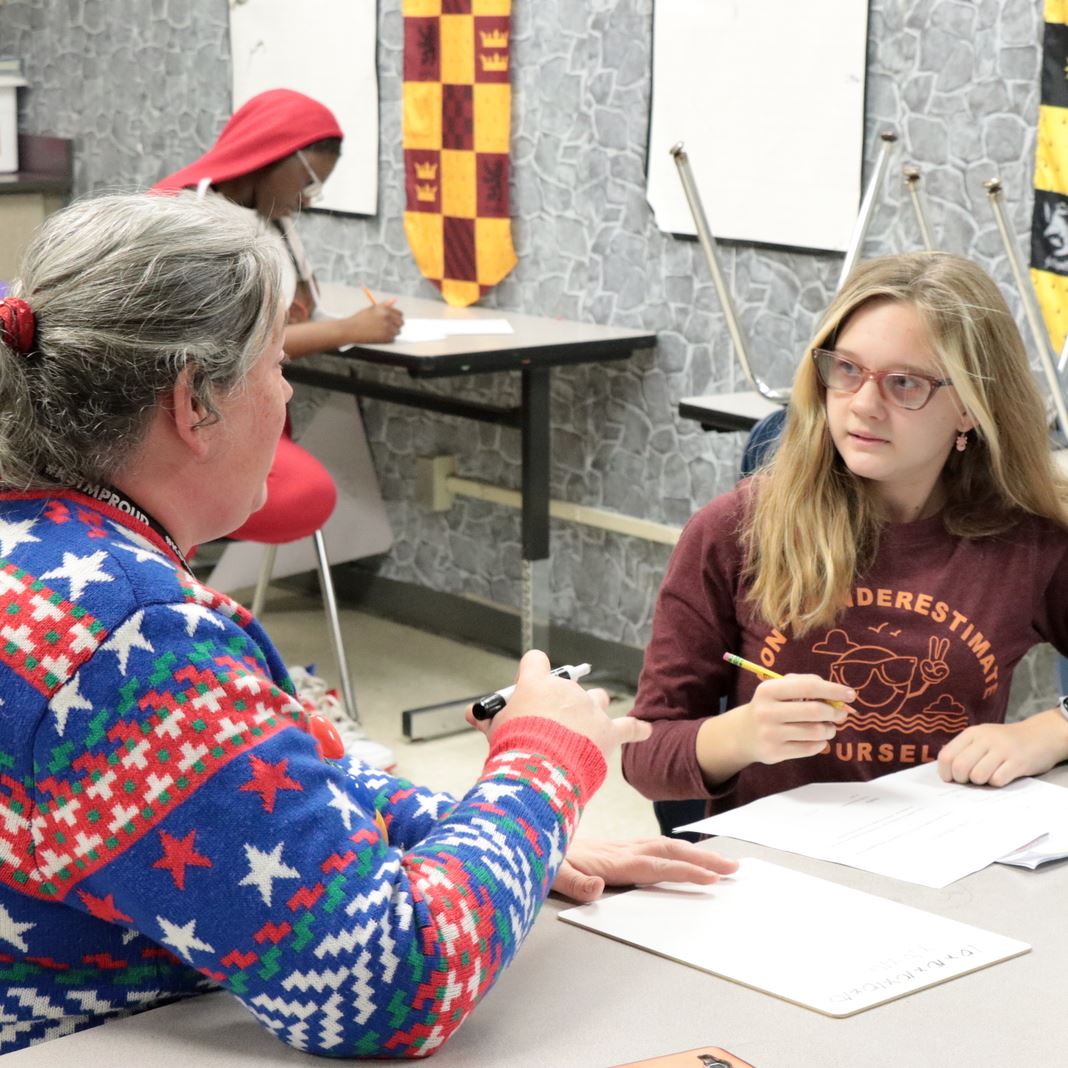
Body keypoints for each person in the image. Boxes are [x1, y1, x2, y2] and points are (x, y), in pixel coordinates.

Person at [0, 191, 736, 1055]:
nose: (287, 395)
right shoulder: (134, 637)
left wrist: (490, 841)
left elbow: (230, 785)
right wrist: (541, 767)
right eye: (278, 363)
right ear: (194, 401)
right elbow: (389, 985)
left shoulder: (45, 555)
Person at [624, 251, 1068, 820]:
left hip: (946, 864)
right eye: (848, 370)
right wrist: (741, 735)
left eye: (904, 383)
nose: (862, 405)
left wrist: (1049, 731)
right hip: (770, 871)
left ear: (969, 408)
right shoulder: (733, 532)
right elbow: (644, 757)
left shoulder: (1028, 545)